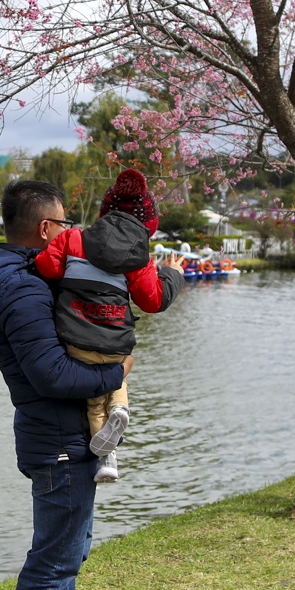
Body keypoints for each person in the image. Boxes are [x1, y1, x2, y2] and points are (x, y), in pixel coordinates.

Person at [0, 178, 129, 590]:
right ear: (44, 228)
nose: (71, 232)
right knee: (53, 558)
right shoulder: (23, 289)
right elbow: (51, 375)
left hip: (67, 436)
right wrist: (114, 375)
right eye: (65, 223)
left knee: (71, 547)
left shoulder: (29, 277)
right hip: (55, 437)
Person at [32, 168, 182, 483]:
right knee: (115, 378)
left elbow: (46, 265)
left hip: (76, 342)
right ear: (147, 223)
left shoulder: (74, 238)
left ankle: (107, 458)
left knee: (93, 401)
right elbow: (154, 301)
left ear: (105, 211)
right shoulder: (139, 260)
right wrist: (173, 274)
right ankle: (120, 414)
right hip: (116, 344)